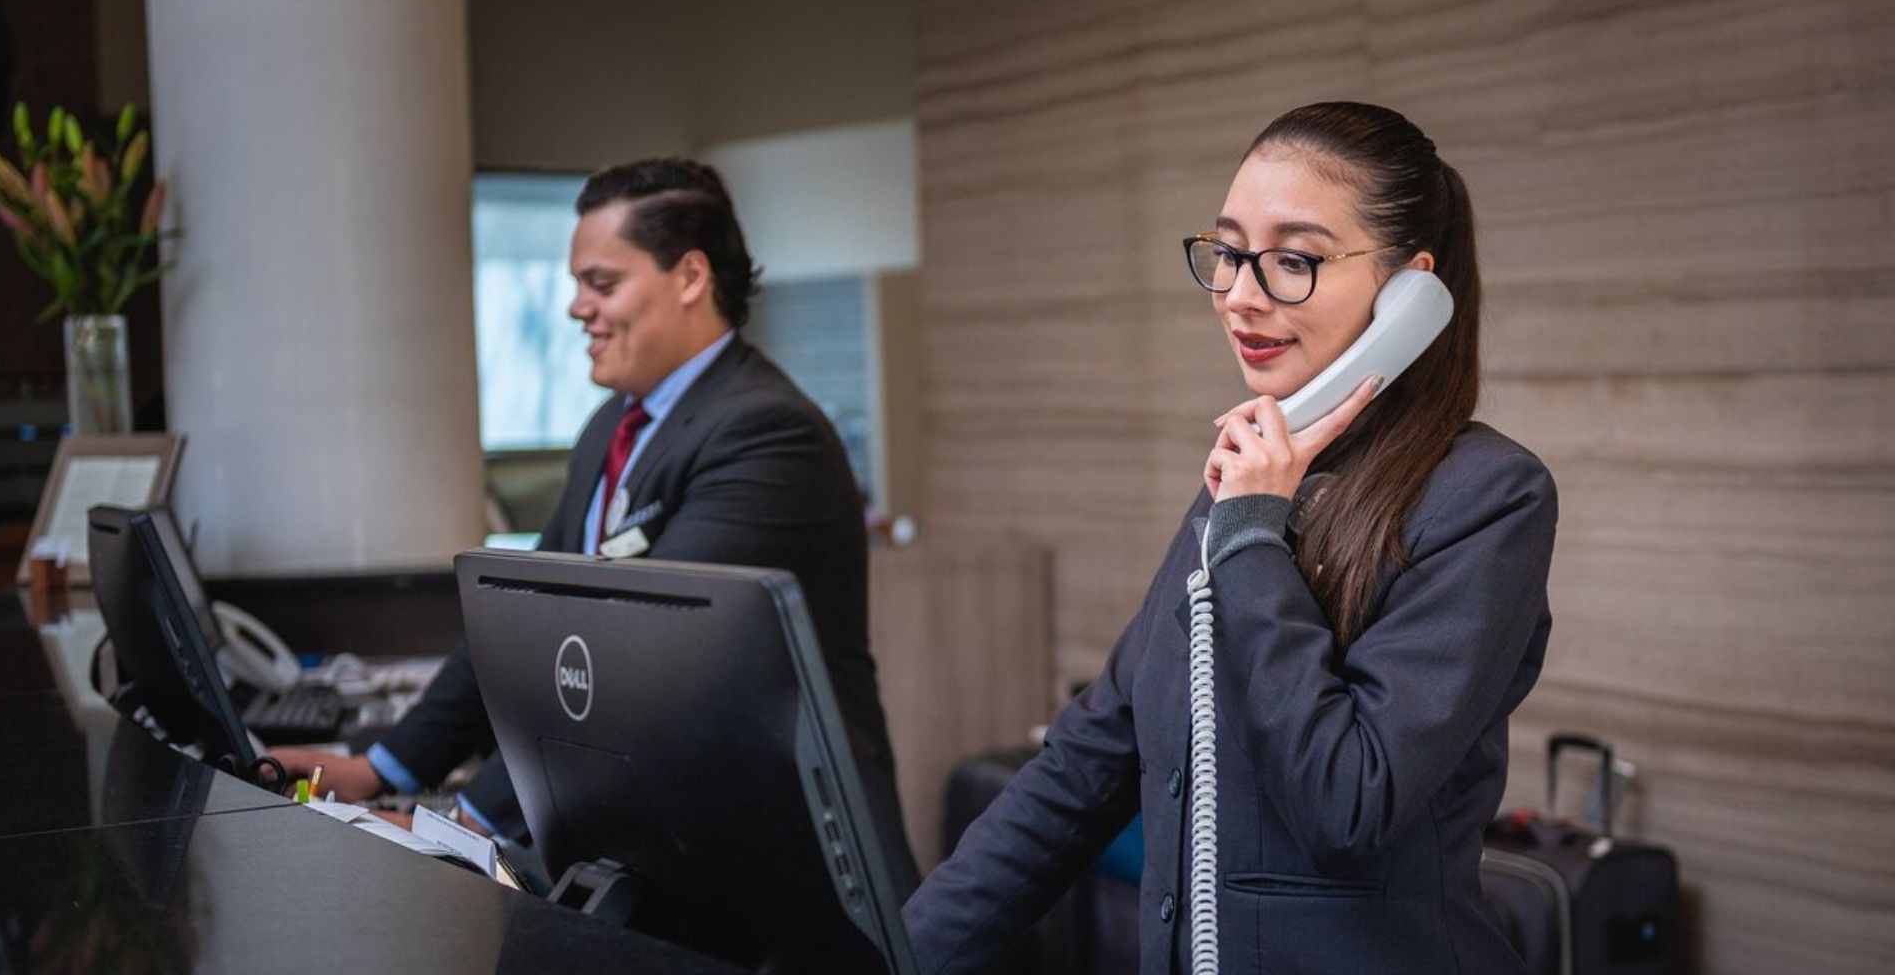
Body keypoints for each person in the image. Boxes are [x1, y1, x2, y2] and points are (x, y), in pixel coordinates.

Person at [904, 102, 1558, 974]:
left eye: (1293, 260)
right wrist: (895, 955)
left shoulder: (1485, 497)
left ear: (1412, 290)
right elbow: (1087, 764)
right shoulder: (1251, 474)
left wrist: (1251, 530)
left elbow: (1348, 802)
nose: (1242, 296)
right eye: (1229, 253)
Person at [277, 160, 912, 885]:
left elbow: (632, 667)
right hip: (656, 850)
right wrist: (377, 767)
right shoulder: (613, 424)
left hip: (775, 875)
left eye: (601, 283)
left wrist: (463, 829)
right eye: (578, 283)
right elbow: (519, 627)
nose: (578, 307)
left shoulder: (766, 434)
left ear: (691, 277)